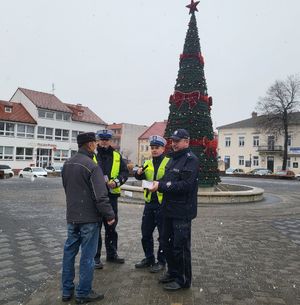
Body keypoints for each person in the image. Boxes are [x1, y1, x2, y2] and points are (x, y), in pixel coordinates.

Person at [61, 132, 115, 304]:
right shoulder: (92, 166)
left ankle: (66, 290)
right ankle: (83, 293)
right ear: (91, 145)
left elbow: (67, 189)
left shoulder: (67, 164)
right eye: (95, 143)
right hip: (89, 219)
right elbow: (100, 195)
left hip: (72, 217)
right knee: (87, 256)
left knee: (69, 253)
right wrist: (109, 214)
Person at [148, 129, 199, 291]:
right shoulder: (172, 159)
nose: (174, 144)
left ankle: (183, 280)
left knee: (181, 246)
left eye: (177, 141)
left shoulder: (191, 160)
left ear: (186, 141)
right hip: (167, 209)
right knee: (165, 242)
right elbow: (166, 179)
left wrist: (162, 186)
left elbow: (186, 185)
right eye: (173, 141)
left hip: (182, 211)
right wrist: (155, 184)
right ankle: (172, 272)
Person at [134, 135, 170, 273]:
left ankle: (161, 261)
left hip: (163, 204)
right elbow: (140, 176)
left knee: (163, 235)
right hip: (149, 203)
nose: (154, 150)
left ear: (163, 148)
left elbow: (170, 180)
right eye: (152, 148)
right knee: (146, 234)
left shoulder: (169, 162)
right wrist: (138, 173)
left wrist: (160, 185)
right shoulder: (147, 162)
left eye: (157, 148)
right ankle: (149, 258)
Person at [94, 129, 129, 268]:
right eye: (102, 139)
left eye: (106, 139)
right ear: (98, 140)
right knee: (95, 228)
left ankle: (112, 254)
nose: (104, 142)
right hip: (96, 197)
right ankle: (95, 257)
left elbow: (125, 172)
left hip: (112, 197)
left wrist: (117, 182)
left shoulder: (116, 155)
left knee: (111, 227)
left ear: (110, 141)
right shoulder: (92, 155)